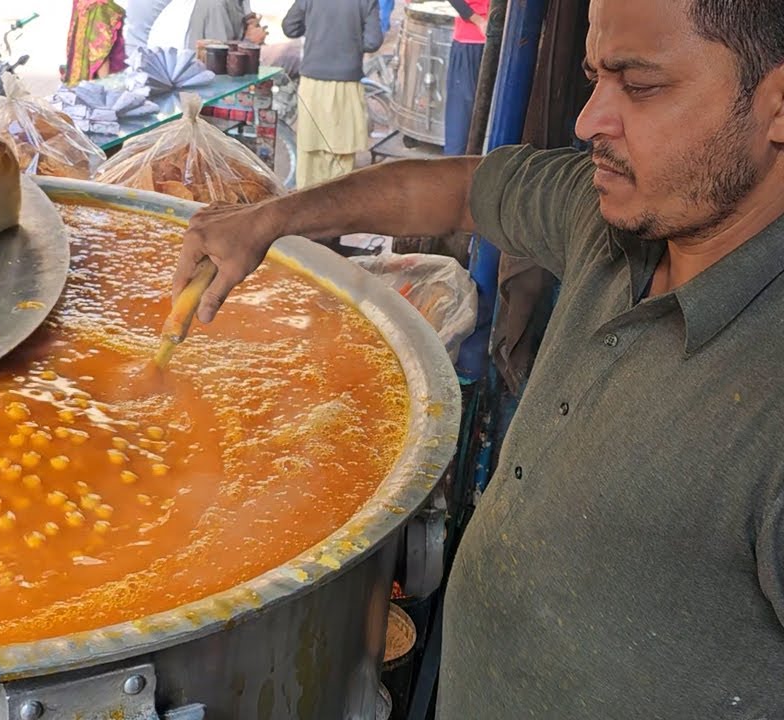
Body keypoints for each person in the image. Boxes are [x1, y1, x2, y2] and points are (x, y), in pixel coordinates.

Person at [171, 0, 784, 716]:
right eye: (593, 79)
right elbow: (463, 188)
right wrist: (272, 219)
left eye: (640, 86)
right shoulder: (610, 216)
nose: (589, 122)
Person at [282, 0, 383, 188]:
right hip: (347, 84)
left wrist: (316, 29)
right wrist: (349, 41)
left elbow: (290, 28)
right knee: (341, 151)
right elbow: (372, 41)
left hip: (312, 83)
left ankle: (307, 204)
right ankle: (335, 207)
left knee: (310, 149)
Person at [443, 0, 490, 155]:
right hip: (469, 43)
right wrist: (479, 21)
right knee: (461, 117)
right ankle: (453, 170)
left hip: (500, 43)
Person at [64, 0, 129, 84]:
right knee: (93, 43)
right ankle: (99, 84)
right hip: (86, 6)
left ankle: (104, 85)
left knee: (101, 44)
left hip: (98, 6)